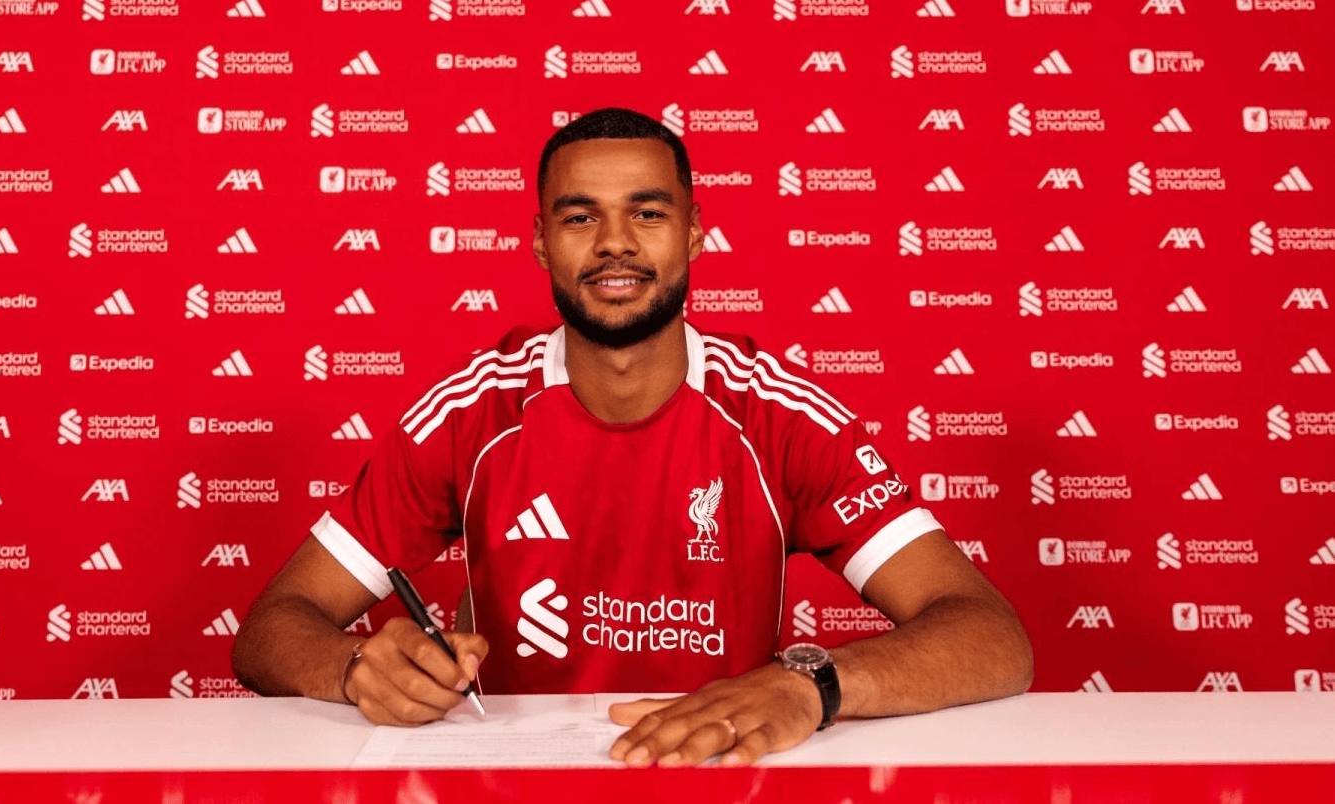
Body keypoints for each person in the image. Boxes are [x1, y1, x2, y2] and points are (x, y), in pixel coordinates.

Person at [233, 107, 1032, 767]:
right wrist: (355, 668)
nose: (615, 242)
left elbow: (990, 634)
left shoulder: (778, 416)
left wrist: (810, 686)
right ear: (541, 241)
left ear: (694, 234)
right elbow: (272, 627)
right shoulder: (471, 412)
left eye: (648, 213)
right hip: (516, 784)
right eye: (580, 217)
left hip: (722, 778)